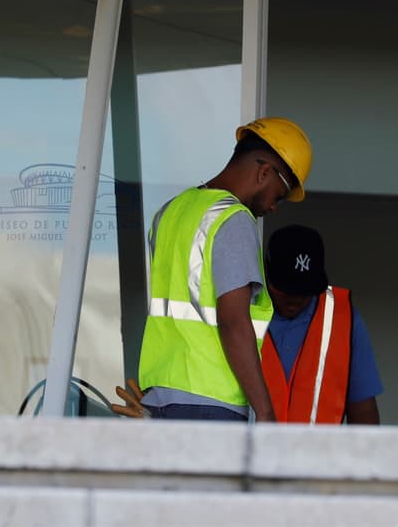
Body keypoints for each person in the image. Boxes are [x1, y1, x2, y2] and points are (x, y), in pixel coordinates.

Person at [138, 116, 313, 422]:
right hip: (210, 405)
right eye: (279, 195)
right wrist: (266, 411)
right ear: (264, 172)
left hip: (157, 397)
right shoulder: (233, 219)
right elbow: (234, 324)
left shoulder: (170, 211)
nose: (273, 207)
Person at [261, 225, 382, 425]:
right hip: (248, 453)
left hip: (318, 455)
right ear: (267, 274)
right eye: (286, 288)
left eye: (304, 290)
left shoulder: (344, 319)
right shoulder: (241, 310)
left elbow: (363, 412)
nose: (295, 298)